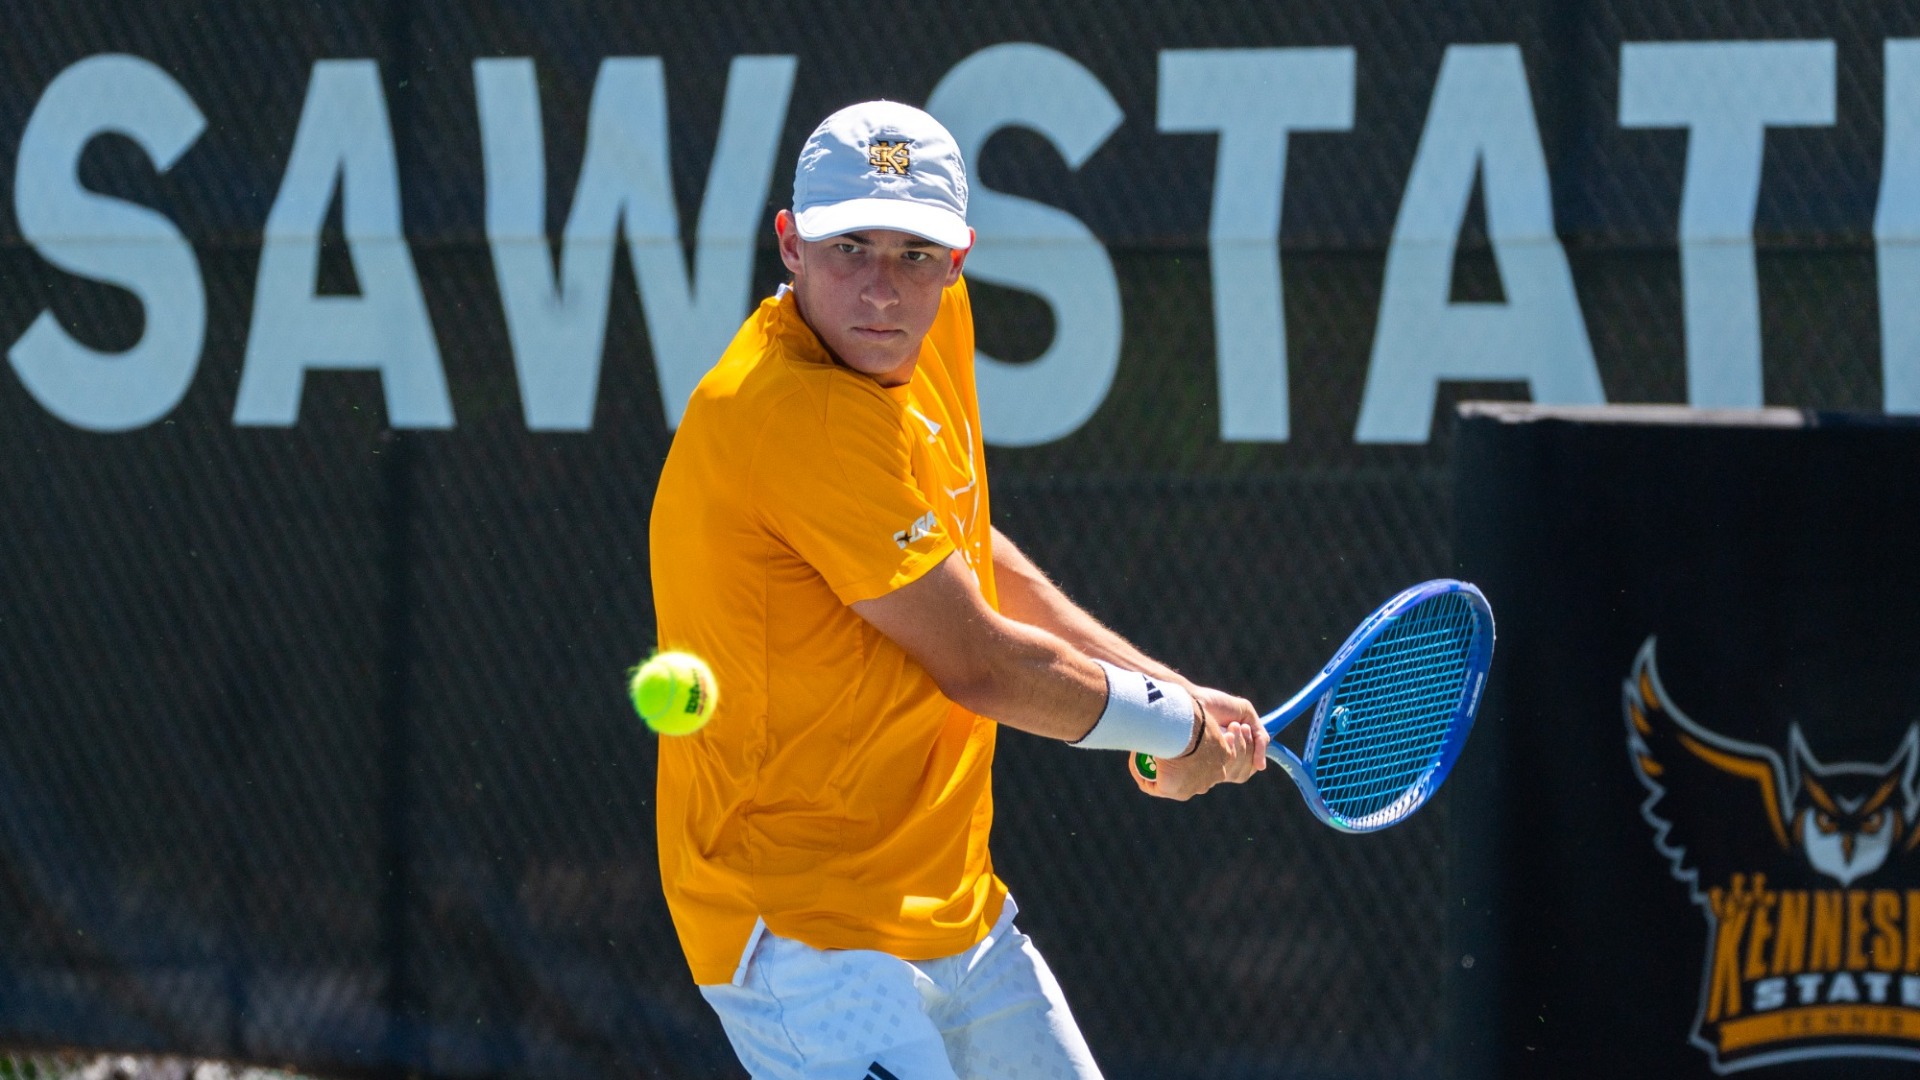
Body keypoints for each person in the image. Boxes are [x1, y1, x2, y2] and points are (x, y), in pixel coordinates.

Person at [649, 99, 1269, 1080]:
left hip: (955, 905)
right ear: (790, 244)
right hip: (801, 928)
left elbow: (967, 554)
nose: (882, 289)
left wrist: (1172, 691)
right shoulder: (789, 417)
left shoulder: (922, 332)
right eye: (849, 247)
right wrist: (1173, 730)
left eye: (916, 255)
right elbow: (979, 664)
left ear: (959, 259)